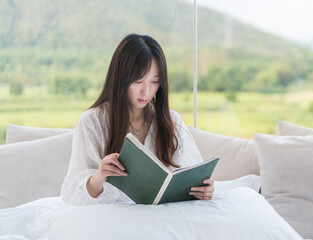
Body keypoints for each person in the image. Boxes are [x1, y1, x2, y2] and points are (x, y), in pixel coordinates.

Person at [60, 34, 214, 205]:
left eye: (154, 82)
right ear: (121, 79)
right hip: (111, 220)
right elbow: (72, 197)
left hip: (162, 217)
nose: (146, 92)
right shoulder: (92, 121)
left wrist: (204, 188)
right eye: (138, 81)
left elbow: (192, 173)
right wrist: (99, 177)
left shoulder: (171, 120)